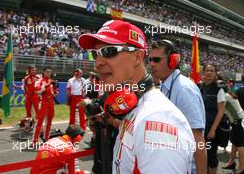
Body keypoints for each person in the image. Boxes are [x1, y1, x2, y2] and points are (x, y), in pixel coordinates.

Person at [78, 19, 195, 174]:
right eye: (95, 54)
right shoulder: (136, 107)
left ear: (137, 57)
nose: (98, 62)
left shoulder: (156, 119)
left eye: (109, 51)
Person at [149, 39, 206, 174]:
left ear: (173, 61)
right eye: (150, 59)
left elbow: (198, 140)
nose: (151, 64)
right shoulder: (164, 85)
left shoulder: (184, 90)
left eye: (156, 60)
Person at [199, 64, 226, 174]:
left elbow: (221, 111)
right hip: (200, 128)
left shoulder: (219, 89)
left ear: (215, 73)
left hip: (211, 130)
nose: (209, 73)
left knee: (211, 156)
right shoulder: (199, 87)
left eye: (212, 71)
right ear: (203, 72)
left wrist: (213, 130)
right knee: (201, 154)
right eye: (207, 70)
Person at [221, 80, 244, 174]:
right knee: (234, 143)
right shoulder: (227, 94)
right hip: (236, 122)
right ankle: (231, 163)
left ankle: (242, 167)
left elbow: (219, 110)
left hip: (237, 122)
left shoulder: (225, 97)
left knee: (240, 145)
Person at [32, 67, 58, 145]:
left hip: (51, 103)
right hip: (43, 103)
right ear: (44, 72)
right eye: (47, 72)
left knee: (49, 122)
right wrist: (47, 85)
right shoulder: (39, 81)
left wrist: (55, 88)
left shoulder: (51, 81)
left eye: (49, 72)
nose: (48, 73)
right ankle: (34, 141)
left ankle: (47, 138)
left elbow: (54, 93)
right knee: (39, 122)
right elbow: (37, 90)